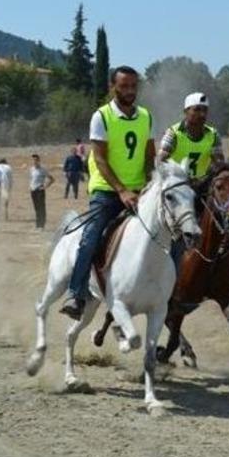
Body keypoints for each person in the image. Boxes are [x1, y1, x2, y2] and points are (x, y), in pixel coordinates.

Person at [60, 66, 155, 320]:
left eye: (133, 86)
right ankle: (76, 292)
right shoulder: (101, 116)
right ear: (112, 87)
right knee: (91, 236)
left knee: (168, 231)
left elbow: (149, 155)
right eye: (124, 86)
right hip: (107, 190)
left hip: (138, 191)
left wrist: (150, 181)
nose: (129, 91)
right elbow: (100, 159)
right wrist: (121, 190)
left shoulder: (146, 116)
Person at [157, 92, 224, 309]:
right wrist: (179, 179)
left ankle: (220, 278)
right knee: (175, 233)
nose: (201, 114)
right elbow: (161, 159)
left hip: (202, 188)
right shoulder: (173, 133)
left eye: (204, 110)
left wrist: (206, 178)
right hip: (177, 191)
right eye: (196, 109)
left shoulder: (213, 134)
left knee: (222, 225)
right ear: (186, 111)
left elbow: (218, 161)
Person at [29, 154, 55, 229]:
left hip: (40, 191)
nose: (34, 161)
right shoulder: (31, 169)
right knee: (36, 208)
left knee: (41, 208)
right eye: (33, 160)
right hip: (33, 191)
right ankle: (37, 225)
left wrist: (45, 187)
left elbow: (52, 179)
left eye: (36, 160)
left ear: (39, 161)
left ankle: (42, 225)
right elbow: (32, 179)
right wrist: (30, 187)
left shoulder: (43, 170)